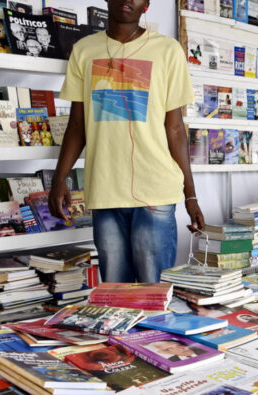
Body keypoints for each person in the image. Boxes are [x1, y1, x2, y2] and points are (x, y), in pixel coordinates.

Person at [49, 0, 204, 283]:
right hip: (105, 187)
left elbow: (176, 129)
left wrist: (190, 195)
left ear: (147, 4)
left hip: (155, 191)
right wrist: (59, 179)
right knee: (115, 290)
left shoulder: (168, 51)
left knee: (152, 287)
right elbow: (76, 125)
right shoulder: (84, 51)